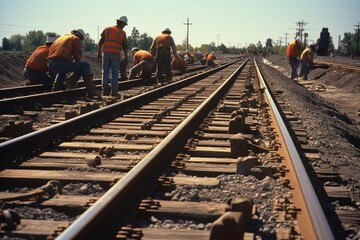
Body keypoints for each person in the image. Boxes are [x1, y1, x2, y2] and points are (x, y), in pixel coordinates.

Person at [47, 28, 100, 98]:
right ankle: (90, 91)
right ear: (80, 36)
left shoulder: (62, 37)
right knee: (85, 66)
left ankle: (55, 91)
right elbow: (77, 57)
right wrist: (76, 75)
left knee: (62, 71)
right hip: (60, 63)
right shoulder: (75, 39)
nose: (80, 41)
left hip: (50, 63)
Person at [97, 16, 128, 97]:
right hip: (115, 54)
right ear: (122, 24)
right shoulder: (122, 33)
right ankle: (114, 91)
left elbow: (101, 42)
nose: (124, 26)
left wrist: (99, 53)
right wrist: (126, 56)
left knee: (105, 72)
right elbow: (125, 46)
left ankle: (105, 91)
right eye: (124, 25)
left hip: (106, 53)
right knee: (115, 73)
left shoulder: (107, 29)